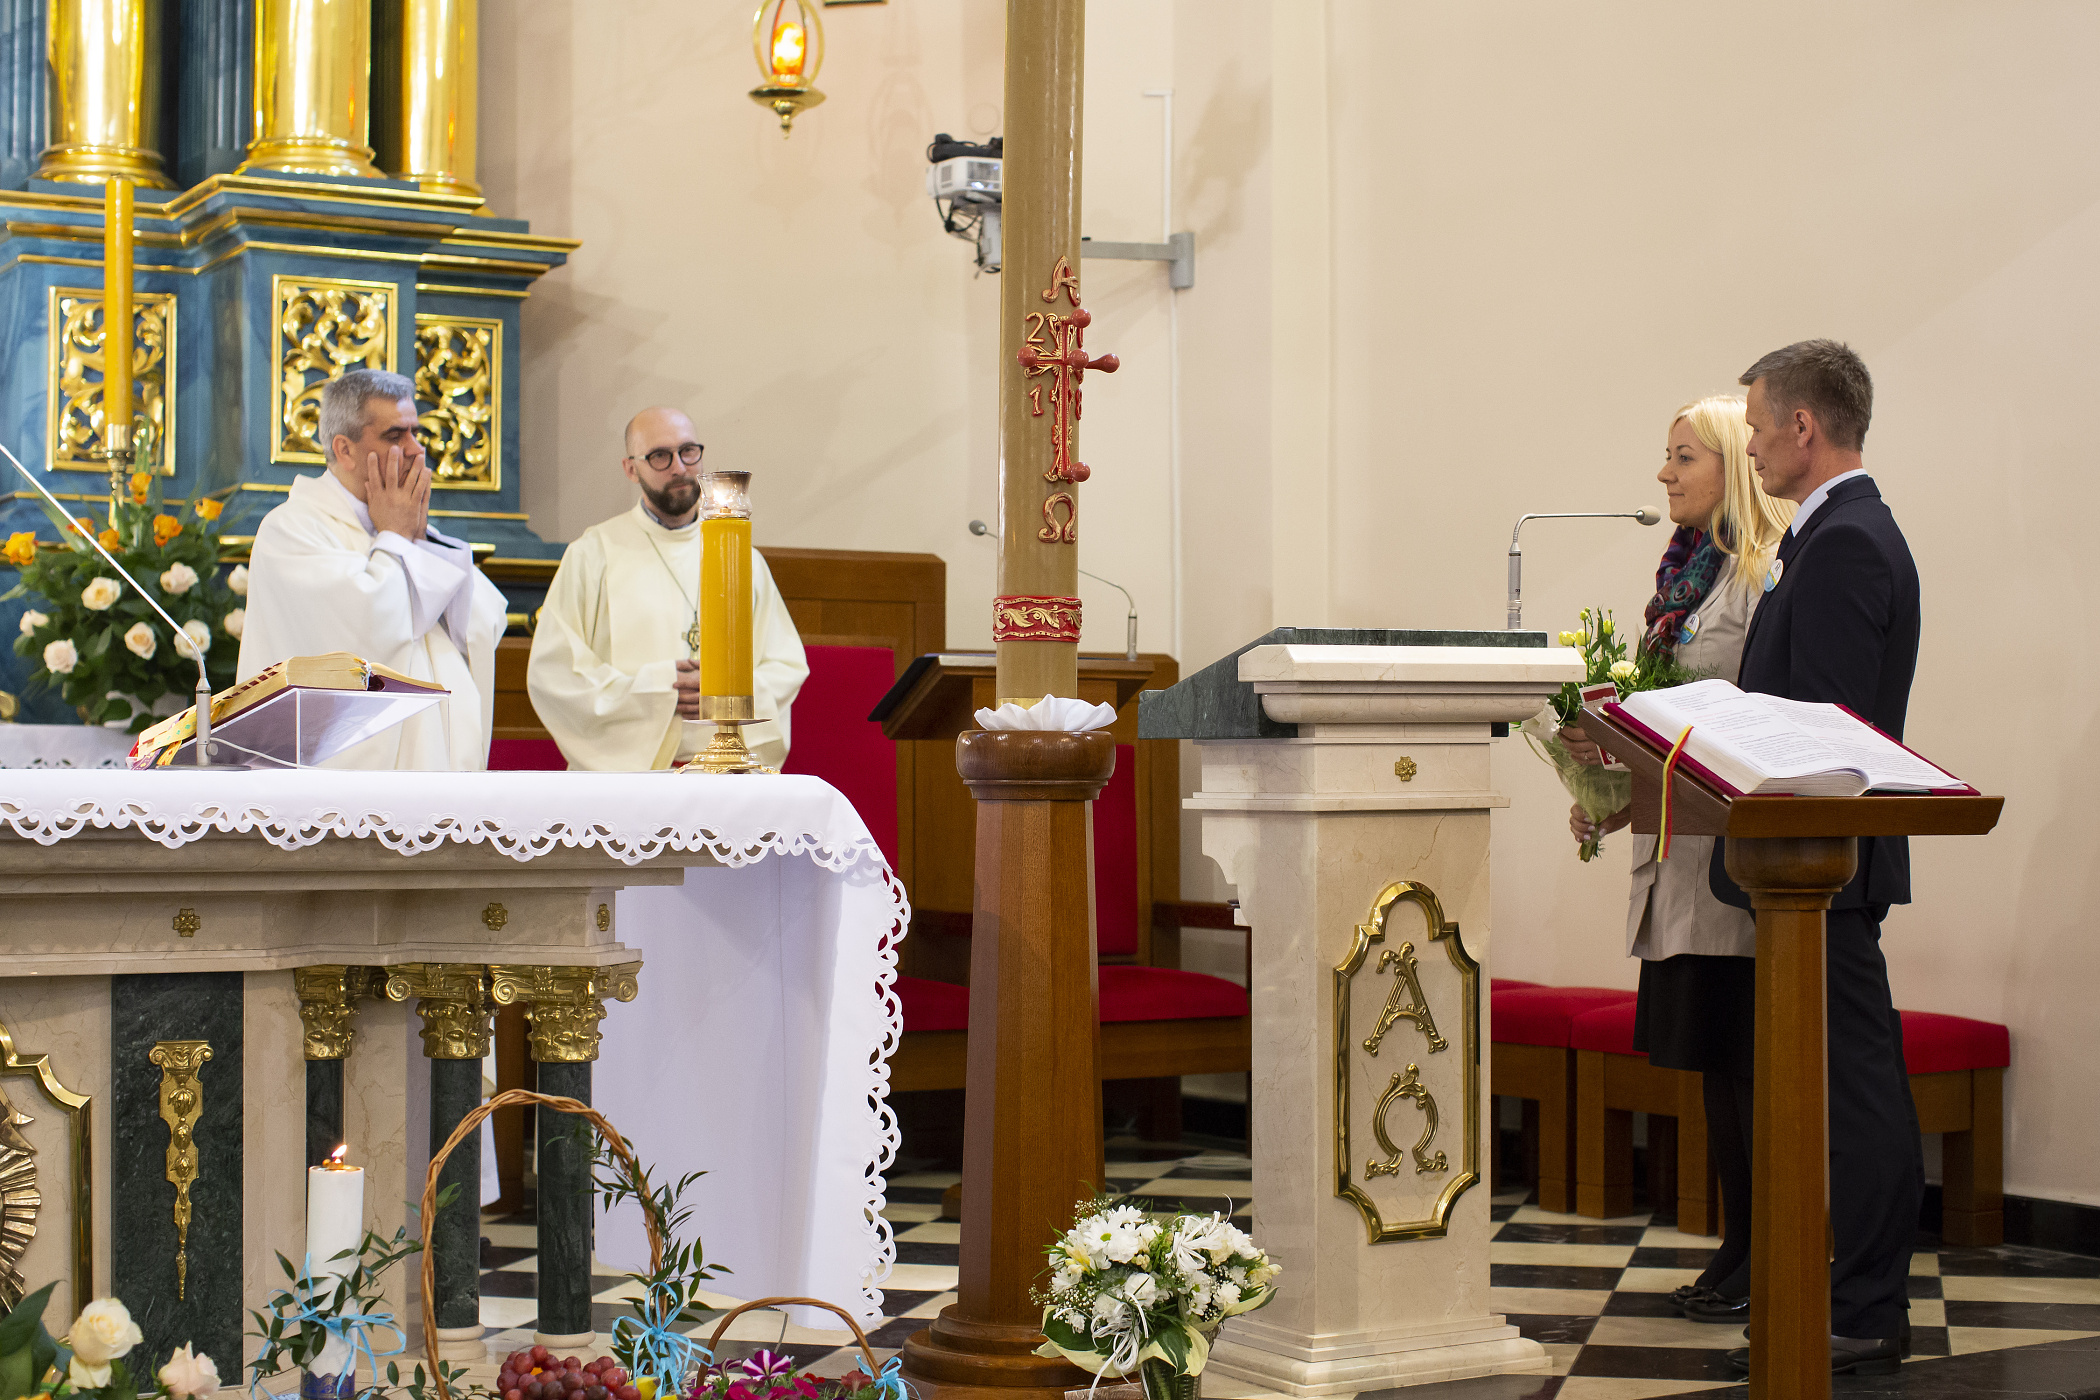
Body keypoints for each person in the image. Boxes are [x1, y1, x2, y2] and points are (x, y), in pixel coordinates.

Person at [1708, 340, 1922, 1378]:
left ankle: (1869, 1307)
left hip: (1822, 863)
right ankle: (1838, 1295)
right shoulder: (1834, 534)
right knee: (1832, 1083)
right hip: (1805, 865)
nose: (1749, 447)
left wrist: (1721, 731)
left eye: (1756, 426)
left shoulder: (1846, 542)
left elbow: (1825, 732)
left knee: (1857, 1087)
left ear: (1804, 426)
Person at [1560, 396, 1793, 1324]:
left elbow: (1752, 719)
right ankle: (1741, 1245)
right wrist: (1606, 770)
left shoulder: (1762, 575)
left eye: (1683, 456)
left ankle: (1770, 1251)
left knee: (1744, 1062)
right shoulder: (1684, 580)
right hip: (1678, 856)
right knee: (1712, 1066)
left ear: (1732, 462)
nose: (1665, 473)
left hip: (1734, 867)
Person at [238, 368, 508, 769]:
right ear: (345, 450)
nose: (416, 450)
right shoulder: (292, 529)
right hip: (342, 787)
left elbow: (484, 624)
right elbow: (363, 632)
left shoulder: (401, 527)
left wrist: (417, 542)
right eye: (395, 436)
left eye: (416, 433)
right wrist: (397, 540)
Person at [527, 407, 808, 770]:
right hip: (626, 781)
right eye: (660, 456)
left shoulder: (741, 558)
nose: (679, 467)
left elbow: (786, 666)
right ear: (631, 469)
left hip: (725, 777)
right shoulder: (593, 554)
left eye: (688, 451)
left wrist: (722, 691)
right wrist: (659, 689)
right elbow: (555, 673)